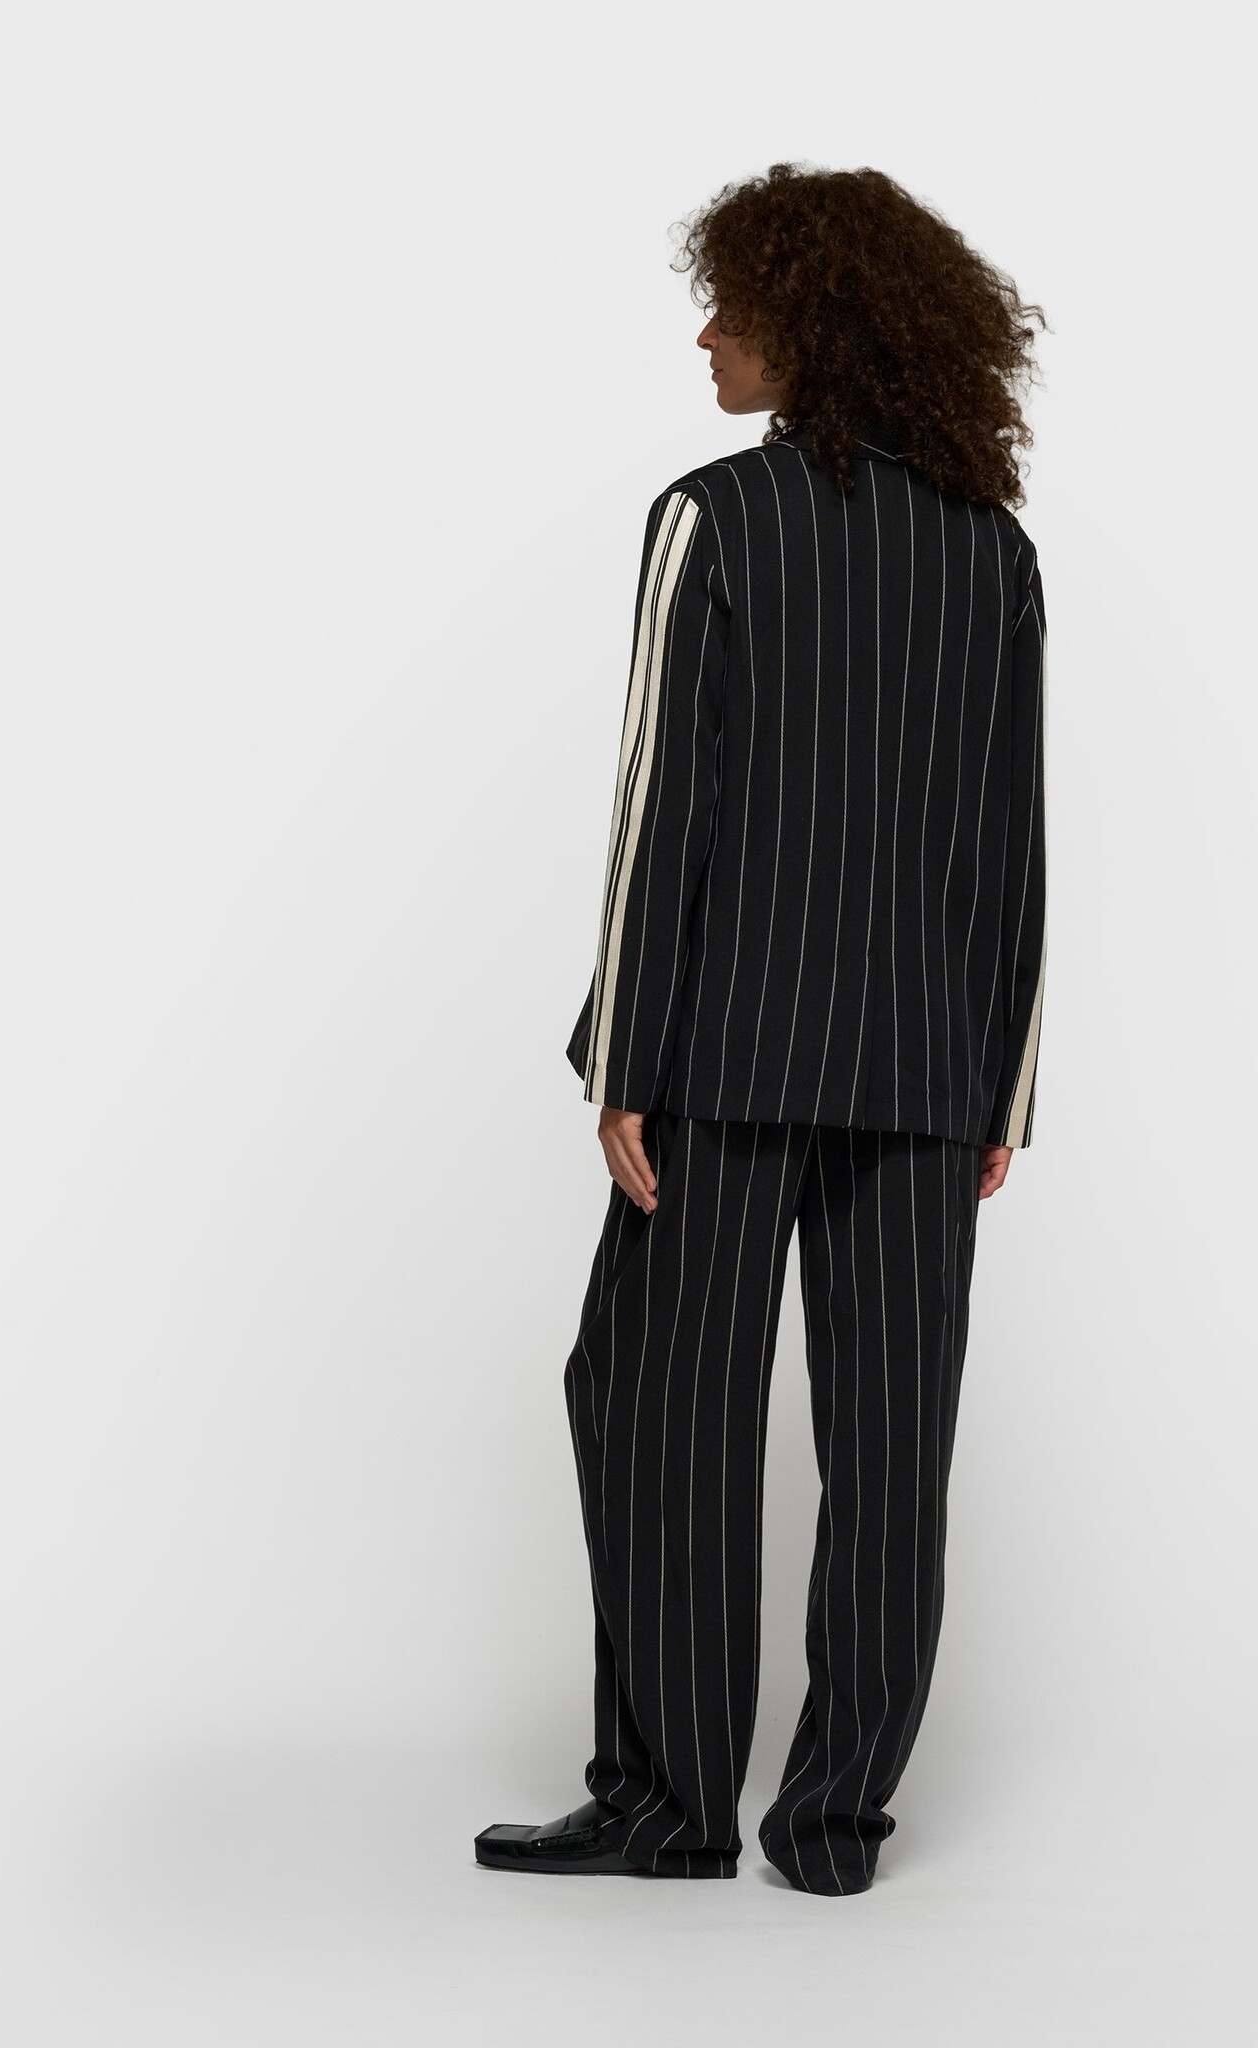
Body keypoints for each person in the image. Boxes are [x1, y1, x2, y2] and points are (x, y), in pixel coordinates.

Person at [475, 163, 1047, 1896]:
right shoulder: (994, 550)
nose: (707, 334)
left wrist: (624, 1060)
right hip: (927, 1069)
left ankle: (671, 1805)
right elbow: (1010, 836)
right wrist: (1001, 1088)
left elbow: (664, 807)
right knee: (892, 1449)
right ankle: (834, 1827)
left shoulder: (715, 518)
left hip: (722, 1057)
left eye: (732, 304)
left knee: (658, 1408)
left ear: (814, 323)